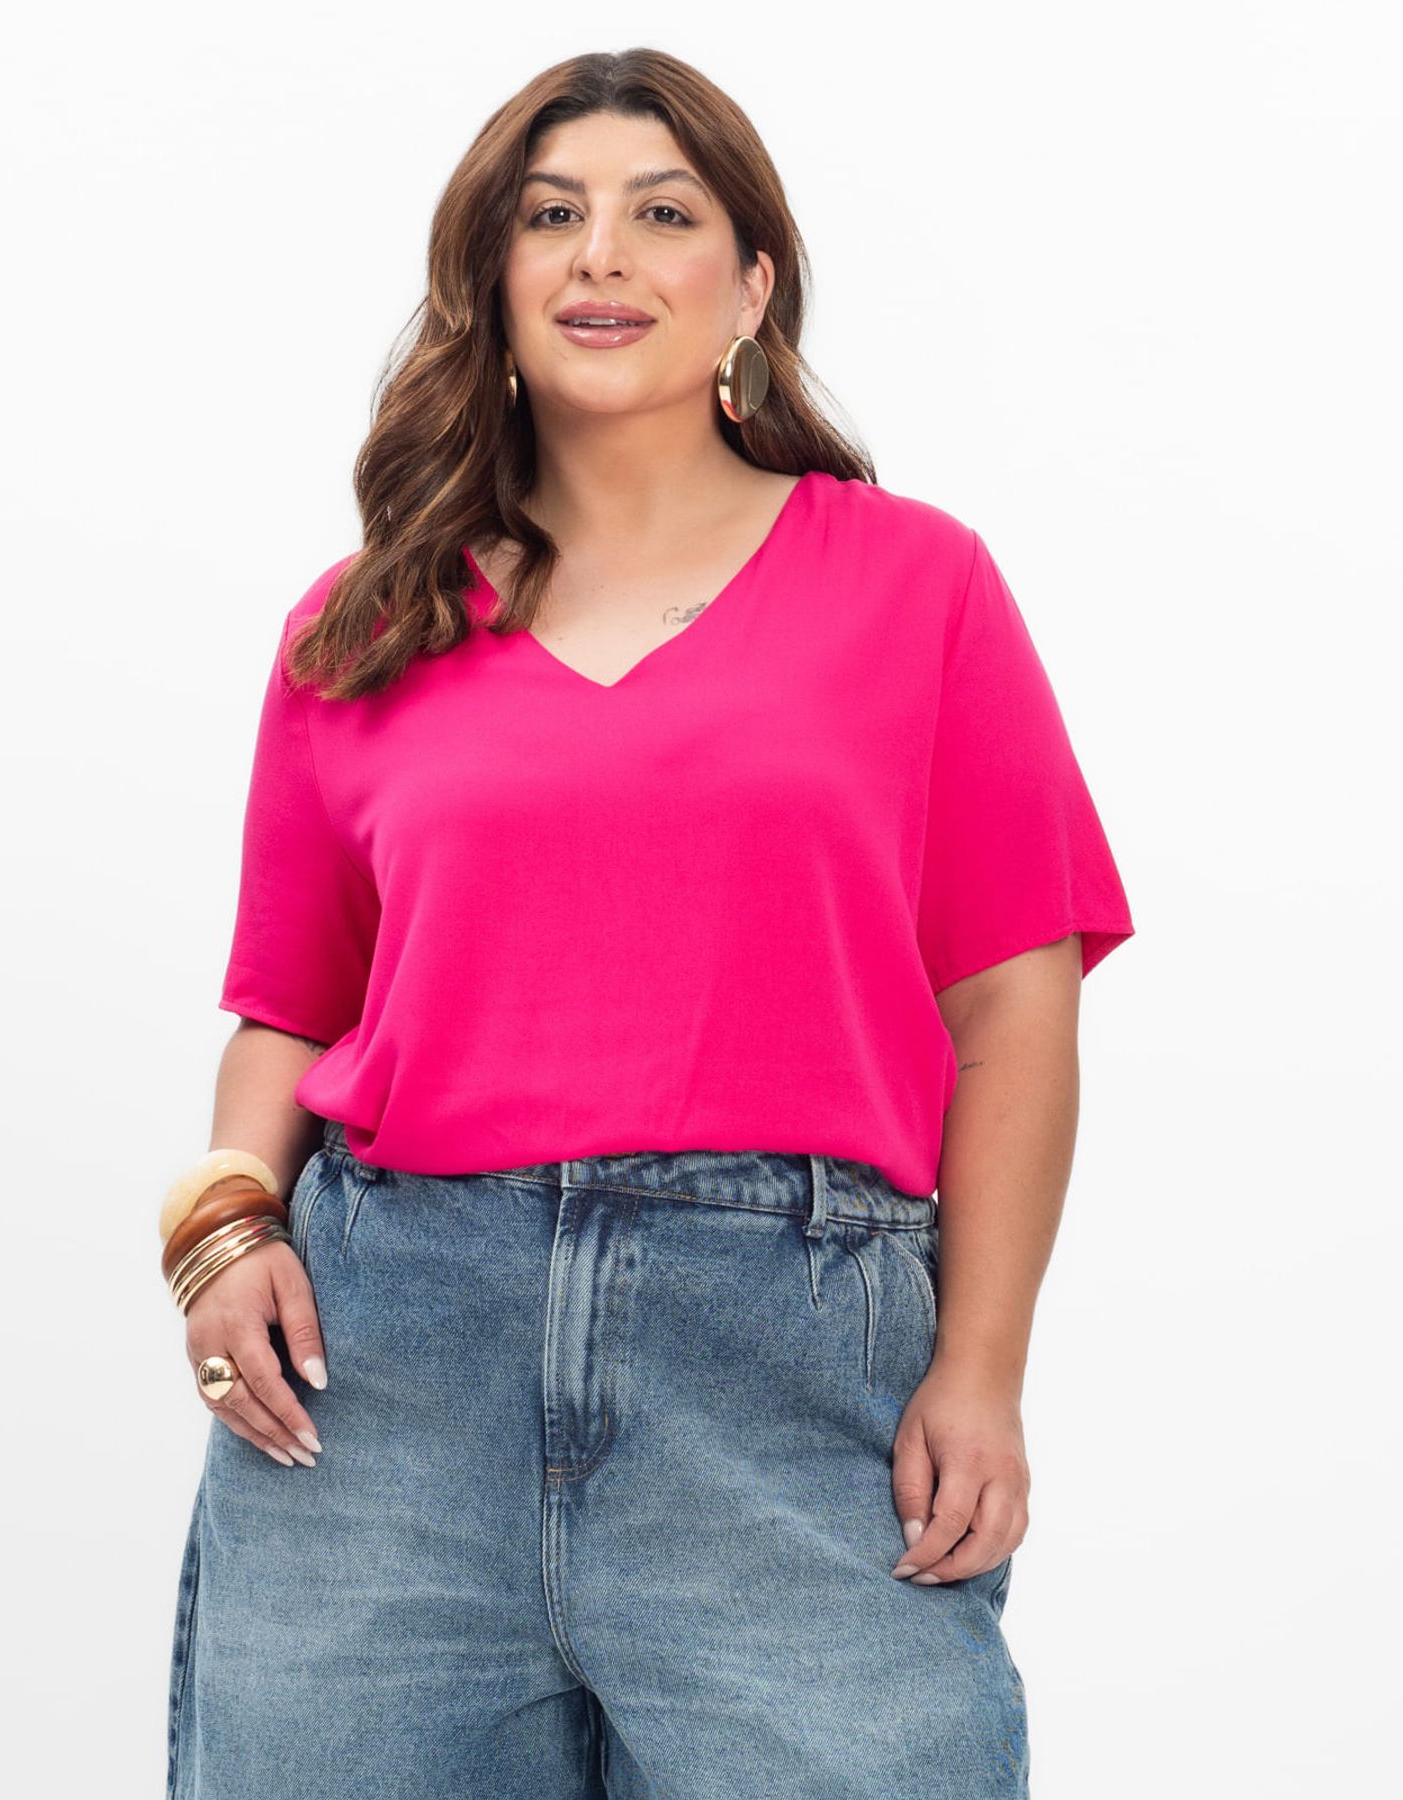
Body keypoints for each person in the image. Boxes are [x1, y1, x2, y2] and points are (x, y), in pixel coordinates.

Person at [161, 47, 1133, 1800]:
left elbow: (1014, 1005)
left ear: (751, 287)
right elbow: (291, 1011)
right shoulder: (363, 624)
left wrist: (981, 1369)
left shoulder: (916, 586)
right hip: (388, 1386)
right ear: (493, 283)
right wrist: (223, 1237)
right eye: (552, 216)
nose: (601, 253)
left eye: (661, 214)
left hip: (789, 1376)